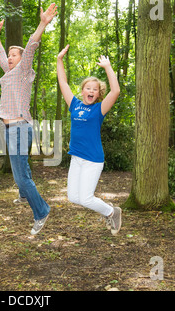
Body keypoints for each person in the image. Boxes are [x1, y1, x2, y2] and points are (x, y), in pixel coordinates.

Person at [0, 3, 57, 235]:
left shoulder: (23, 72)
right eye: (9, 56)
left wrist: (42, 23)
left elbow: (30, 47)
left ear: (21, 60)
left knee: (20, 176)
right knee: (21, 170)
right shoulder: (9, 73)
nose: (9, 58)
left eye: (14, 55)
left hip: (20, 128)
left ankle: (41, 211)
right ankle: (24, 194)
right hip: (12, 129)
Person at [57, 44, 122, 235]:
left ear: (98, 93)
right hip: (76, 158)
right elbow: (63, 83)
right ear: (83, 91)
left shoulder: (99, 109)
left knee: (85, 199)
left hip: (93, 159)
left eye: (95, 89)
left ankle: (112, 212)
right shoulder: (74, 104)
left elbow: (116, 91)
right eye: (88, 88)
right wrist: (59, 60)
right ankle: (106, 208)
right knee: (73, 198)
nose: (91, 91)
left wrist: (108, 67)